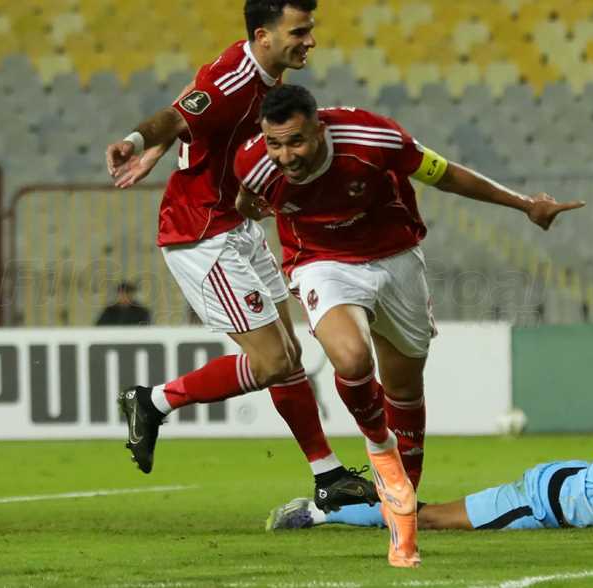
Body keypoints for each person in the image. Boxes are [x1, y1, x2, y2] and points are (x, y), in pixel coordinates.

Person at [233, 84, 586, 566]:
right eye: (275, 144)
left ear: (319, 127)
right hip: (322, 263)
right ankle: (382, 452)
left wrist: (525, 204)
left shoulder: (372, 138)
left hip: (396, 259)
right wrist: (248, 206)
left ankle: (403, 511)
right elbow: (245, 199)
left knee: (403, 386)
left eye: (296, 141)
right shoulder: (254, 162)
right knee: (352, 358)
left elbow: (446, 175)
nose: (285, 156)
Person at [104, 0, 377, 516]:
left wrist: (159, 150)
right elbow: (179, 113)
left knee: (289, 357)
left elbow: (191, 98)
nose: (310, 41)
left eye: (309, 30)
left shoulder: (261, 72)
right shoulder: (234, 79)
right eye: (299, 31)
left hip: (238, 224)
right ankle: (154, 401)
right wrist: (138, 141)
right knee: (273, 361)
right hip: (201, 231)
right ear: (264, 35)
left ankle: (328, 476)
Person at [269, 416, 593, 532]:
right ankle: (322, 512)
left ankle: (338, 506)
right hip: (540, 503)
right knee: (430, 519)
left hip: (576, 483)